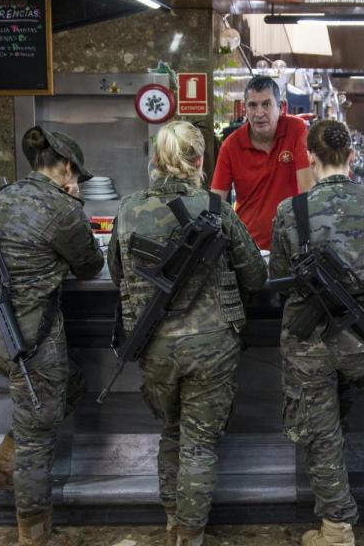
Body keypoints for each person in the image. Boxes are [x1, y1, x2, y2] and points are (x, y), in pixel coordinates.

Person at [107, 121, 266, 546]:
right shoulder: (215, 209)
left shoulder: (127, 209)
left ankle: (173, 523)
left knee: (172, 433)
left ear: (156, 160)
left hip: (154, 345)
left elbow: (116, 274)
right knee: (199, 444)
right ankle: (190, 538)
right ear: (198, 161)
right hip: (212, 346)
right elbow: (255, 275)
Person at [0, 126, 105, 546]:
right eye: (78, 176)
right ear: (66, 168)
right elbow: (89, 265)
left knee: (68, 390)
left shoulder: (2, 196)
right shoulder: (61, 208)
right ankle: (36, 536)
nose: (78, 182)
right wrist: (76, 209)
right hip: (31, 338)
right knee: (36, 440)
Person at [270, 120, 364, 546]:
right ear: (352, 158)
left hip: (310, 348)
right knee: (335, 426)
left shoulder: (292, 210)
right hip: (360, 344)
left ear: (310, 157)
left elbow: (277, 279)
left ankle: (337, 528)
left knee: (322, 435)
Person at [211, 75, 315, 249]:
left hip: (292, 244)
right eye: (253, 105)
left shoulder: (296, 129)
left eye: (266, 104)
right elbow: (216, 203)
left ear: (281, 107)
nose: (259, 113)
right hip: (248, 248)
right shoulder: (231, 145)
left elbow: (307, 192)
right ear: (245, 109)